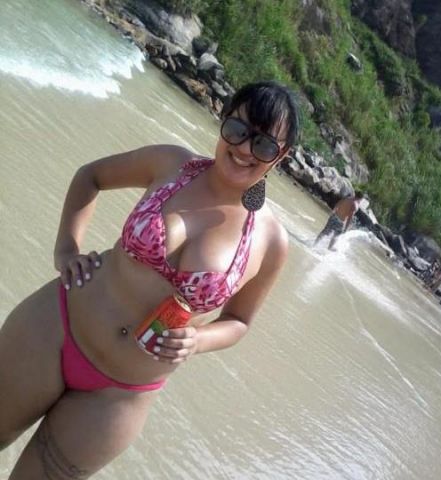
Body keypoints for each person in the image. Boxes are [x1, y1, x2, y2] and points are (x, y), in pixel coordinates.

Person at [0, 81, 299, 479]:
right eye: (238, 129)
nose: (244, 148)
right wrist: (67, 250)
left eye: (263, 144)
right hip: (54, 328)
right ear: (223, 119)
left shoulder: (271, 241)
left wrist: (198, 340)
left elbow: (239, 322)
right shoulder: (171, 164)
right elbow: (91, 177)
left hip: (119, 396)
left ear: (281, 155)